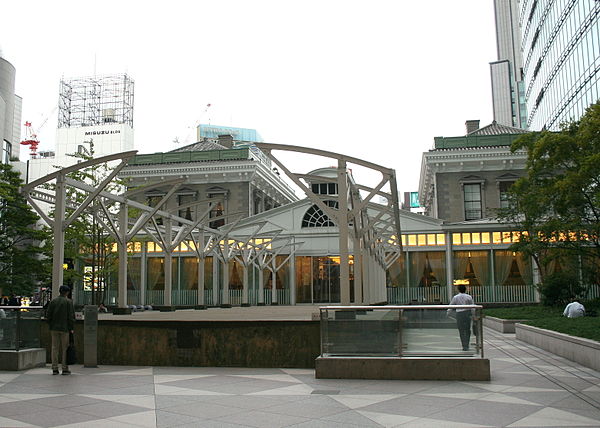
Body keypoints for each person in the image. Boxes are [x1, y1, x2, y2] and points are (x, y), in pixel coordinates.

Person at [46, 285, 75, 375]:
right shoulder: (68, 302)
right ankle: (64, 368)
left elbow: (48, 315)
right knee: (65, 348)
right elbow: (71, 316)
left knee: (54, 348)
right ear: (67, 292)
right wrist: (71, 328)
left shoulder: (53, 301)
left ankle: (54, 368)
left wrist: (51, 324)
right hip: (65, 328)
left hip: (54, 328)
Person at [448, 284, 475, 351]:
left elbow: (451, 306)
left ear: (458, 289)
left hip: (459, 314)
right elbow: (473, 307)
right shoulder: (469, 297)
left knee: (461, 330)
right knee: (467, 330)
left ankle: (464, 345)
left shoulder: (455, 297)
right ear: (465, 289)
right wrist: (473, 315)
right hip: (467, 314)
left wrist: (448, 313)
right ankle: (467, 344)